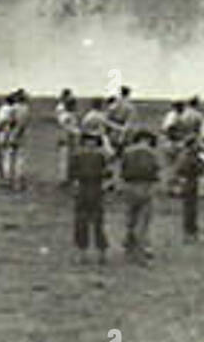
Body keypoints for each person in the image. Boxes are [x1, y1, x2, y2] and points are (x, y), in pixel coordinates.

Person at [69, 132, 111, 265]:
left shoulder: (96, 156)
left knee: (95, 222)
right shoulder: (86, 156)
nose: (90, 144)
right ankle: (85, 253)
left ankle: (99, 253)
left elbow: (106, 174)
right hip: (86, 188)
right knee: (84, 223)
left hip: (93, 189)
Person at [120, 129, 161, 263]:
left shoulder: (127, 151)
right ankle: (143, 248)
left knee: (130, 218)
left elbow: (123, 170)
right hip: (146, 186)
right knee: (144, 221)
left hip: (129, 186)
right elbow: (156, 171)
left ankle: (129, 245)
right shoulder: (153, 153)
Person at [3, 89, 31, 191]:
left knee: (8, 157)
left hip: (12, 134)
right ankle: (19, 179)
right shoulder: (26, 109)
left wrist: (7, 135)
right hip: (21, 135)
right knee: (20, 158)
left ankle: (8, 179)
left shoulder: (14, 109)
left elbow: (10, 123)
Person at [54, 89, 80, 188]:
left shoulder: (69, 115)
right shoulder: (65, 115)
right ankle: (64, 179)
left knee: (70, 159)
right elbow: (66, 126)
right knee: (64, 159)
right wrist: (76, 131)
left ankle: (69, 178)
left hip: (70, 139)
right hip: (65, 139)